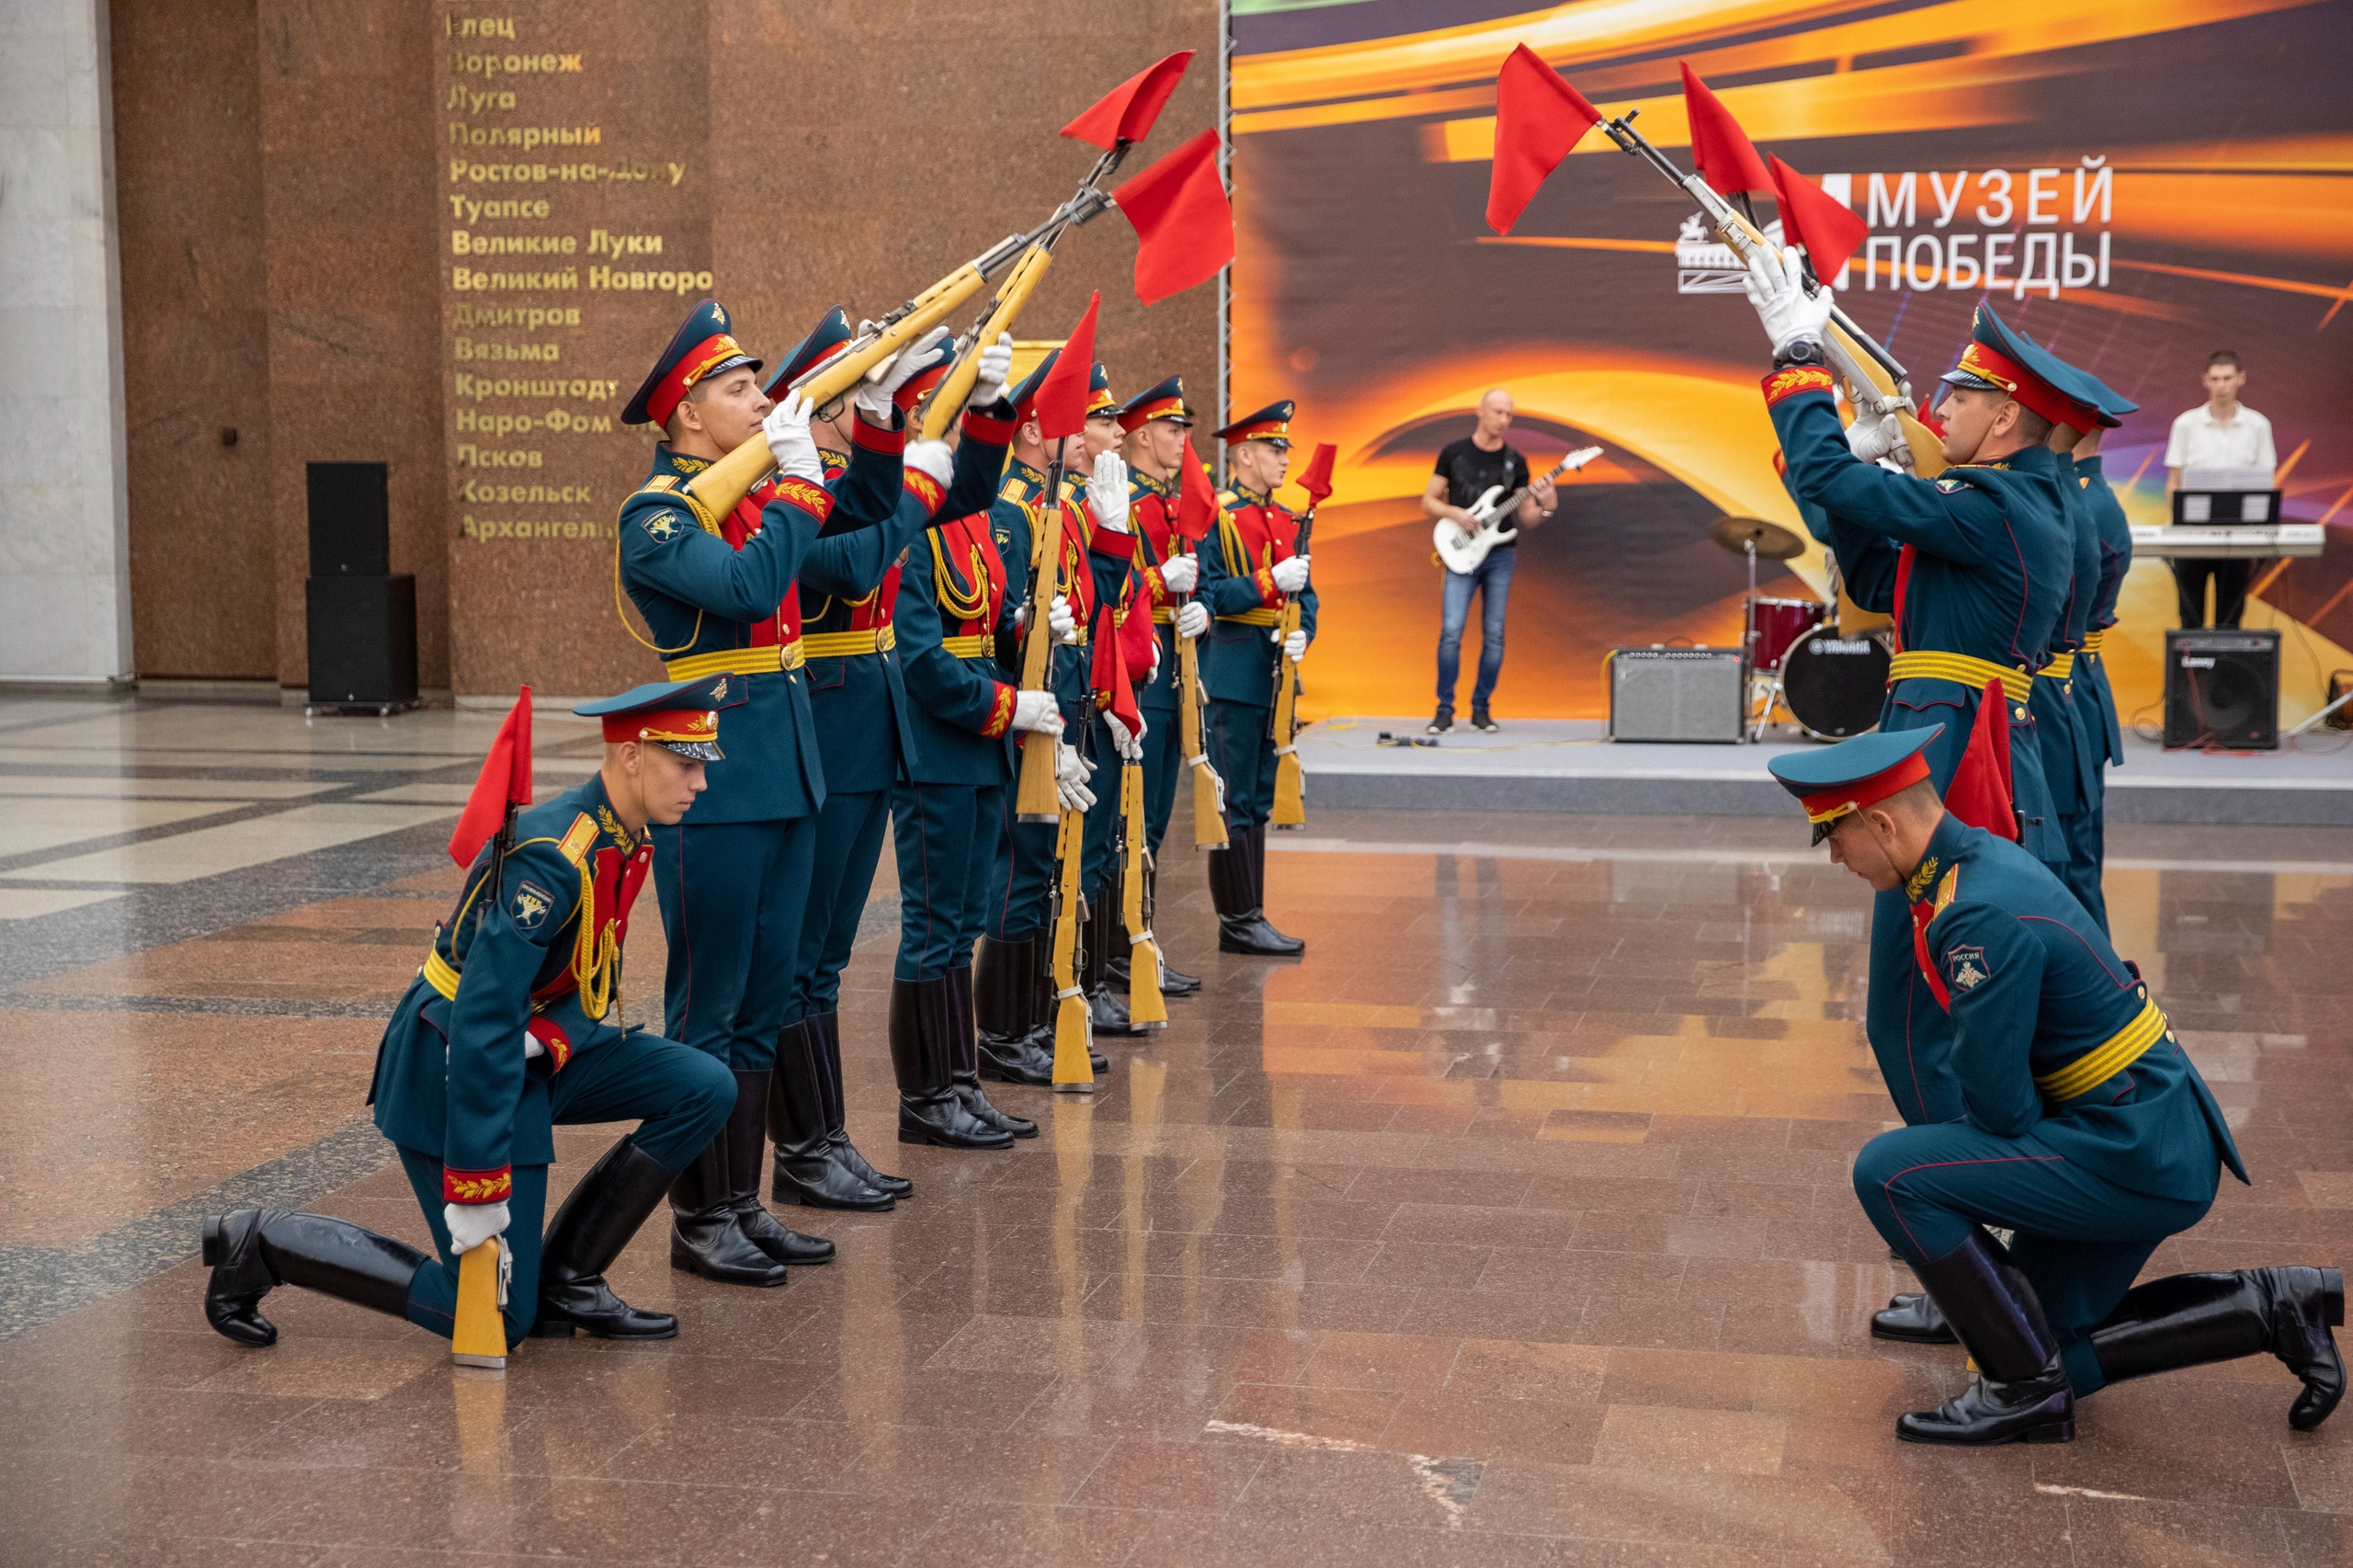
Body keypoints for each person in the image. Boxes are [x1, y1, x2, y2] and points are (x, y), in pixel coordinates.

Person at [1768, 728, 2342, 1446]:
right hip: (2143, 1127)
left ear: (1881, 823)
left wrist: (1981, 1183)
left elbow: (2001, 1109)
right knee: (2027, 1337)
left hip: (2133, 1149)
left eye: (1834, 836)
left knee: (1893, 1174)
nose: (1835, 858)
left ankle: (2023, 1395)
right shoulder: (1973, 862)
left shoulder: (1973, 912)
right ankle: (2276, 1306)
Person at [201, 679, 742, 1349]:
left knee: (704, 1085)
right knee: (494, 1322)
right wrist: (477, 1185)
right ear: (632, 756)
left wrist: (549, 1039)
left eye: (701, 766)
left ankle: (566, 1279)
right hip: (455, 1065)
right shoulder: (551, 861)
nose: (700, 784)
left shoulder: (621, 836)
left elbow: (581, 981)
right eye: (686, 765)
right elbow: (482, 1023)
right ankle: (264, 1243)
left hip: (535, 1050)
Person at [614, 299, 946, 1287]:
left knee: (763, 1002)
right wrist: (797, 476)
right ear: (684, 415)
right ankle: (696, 1213)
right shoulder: (661, 515)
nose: (761, 402)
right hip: (710, 789)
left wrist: (879, 427)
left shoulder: (752, 495)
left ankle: (743, 1200)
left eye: (758, 385)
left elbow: (855, 534)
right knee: (708, 1009)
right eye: (738, 388)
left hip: (790, 775)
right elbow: (756, 590)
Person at [1750, 245, 2074, 1131]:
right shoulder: (2003, 505)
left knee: (1914, 1018)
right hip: (1964, 744)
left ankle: (1965, 1208)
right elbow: (1873, 574)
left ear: (2005, 417)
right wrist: (1864, 472)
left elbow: (1826, 479)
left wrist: (1797, 363)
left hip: (1950, 761)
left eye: (1959, 397)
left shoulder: (1993, 506)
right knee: (1935, 1011)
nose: (1938, 410)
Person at [761, 313, 1026, 1201]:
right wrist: (908, 483)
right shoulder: (794, 488)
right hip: (830, 730)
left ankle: (829, 1139)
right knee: (806, 958)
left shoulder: (857, 478)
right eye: (878, 403)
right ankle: (810, 1148)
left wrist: (989, 411)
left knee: (826, 958)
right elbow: (852, 561)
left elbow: (973, 494)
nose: (902, 417)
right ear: (828, 409)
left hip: (869, 733)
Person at [891, 370, 1070, 1123]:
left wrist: (1031, 635)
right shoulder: (911, 523)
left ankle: (962, 1083)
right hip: (939, 744)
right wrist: (1007, 705)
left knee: (963, 923)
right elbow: (921, 657)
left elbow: (989, 629)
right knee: (933, 928)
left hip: (983, 745)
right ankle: (927, 1098)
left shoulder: (979, 520)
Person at [972, 351, 1112, 1079]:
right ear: (1033, 429)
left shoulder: (1061, 500)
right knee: (1020, 868)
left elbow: (1090, 605)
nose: (1089, 436)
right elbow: (1002, 623)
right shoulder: (1010, 506)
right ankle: (1002, 1034)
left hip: (1066, 692)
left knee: (1047, 866)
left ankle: (1030, 1019)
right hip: (1027, 702)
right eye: (1076, 422)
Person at [1189, 399, 1314, 956]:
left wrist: (1303, 630)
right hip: (1232, 671)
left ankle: (1251, 913)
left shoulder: (1288, 520)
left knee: (1260, 796)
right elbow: (1209, 594)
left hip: (1274, 676)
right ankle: (1238, 919)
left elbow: (1307, 593)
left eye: (1285, 449)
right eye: (1273, 449)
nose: (1284, 460)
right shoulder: (1217, 516)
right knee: (1234, 797)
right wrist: (1269, 582)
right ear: (1242, 455)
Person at [1112, 372, 1204, 999]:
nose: (1182, 441)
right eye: (1174, 429)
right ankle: (1121, 953)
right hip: (1137, 677)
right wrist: (1156, 583)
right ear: (1143, 435)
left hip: (1171, 672)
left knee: (1157, 821)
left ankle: (1139, 944)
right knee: (1132, 824)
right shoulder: (1131, 501)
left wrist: (1199, 612)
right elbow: (1113, 585)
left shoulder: (1171, 501)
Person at [1422, 389, 1556, 733]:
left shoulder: (1516, 462)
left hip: (1500, 553)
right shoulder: (1454, 453)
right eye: (1497, 411)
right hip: (1460, 550)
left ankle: (1481, 708)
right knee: (1451, 631)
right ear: (1480, 411)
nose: (1503, 419)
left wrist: (1547, 505)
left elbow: (1527, 520)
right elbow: (1428, 501)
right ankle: (1444, 709)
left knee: (1494, 634)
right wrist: (1455, 513)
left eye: (1509, 414)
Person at [2165, 351, 2278, 629]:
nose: (2222, 386)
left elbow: (2265, 481)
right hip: (2192, 537)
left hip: (2238, 537)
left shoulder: (2258, 425)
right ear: (2206, 381)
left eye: (2227, 378)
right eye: (2215, 379)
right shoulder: (2186, 424)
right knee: (2190, 618)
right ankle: (2191, 672)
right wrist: (2177, 524)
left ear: (2241, 379)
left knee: (2231, 618)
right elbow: (2174, 480)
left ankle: (2226, 671)